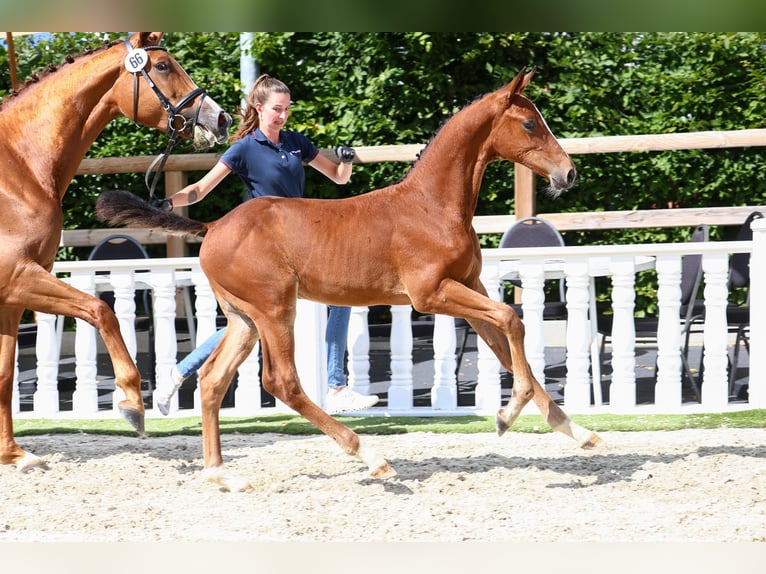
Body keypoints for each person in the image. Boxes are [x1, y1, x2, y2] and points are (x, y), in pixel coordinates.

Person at [153, 74, 379, 416]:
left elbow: (338, 177)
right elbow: (201, 188)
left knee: (338, 297)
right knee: (251, 324)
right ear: (259, 108)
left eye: (287, 109)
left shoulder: (296, 143)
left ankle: (336, 388)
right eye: (277, 109)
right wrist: (169, 203)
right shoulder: (244, 149)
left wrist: (346, 160)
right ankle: (180, 373)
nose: (283, 116)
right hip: (266, 247)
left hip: (302, 239)